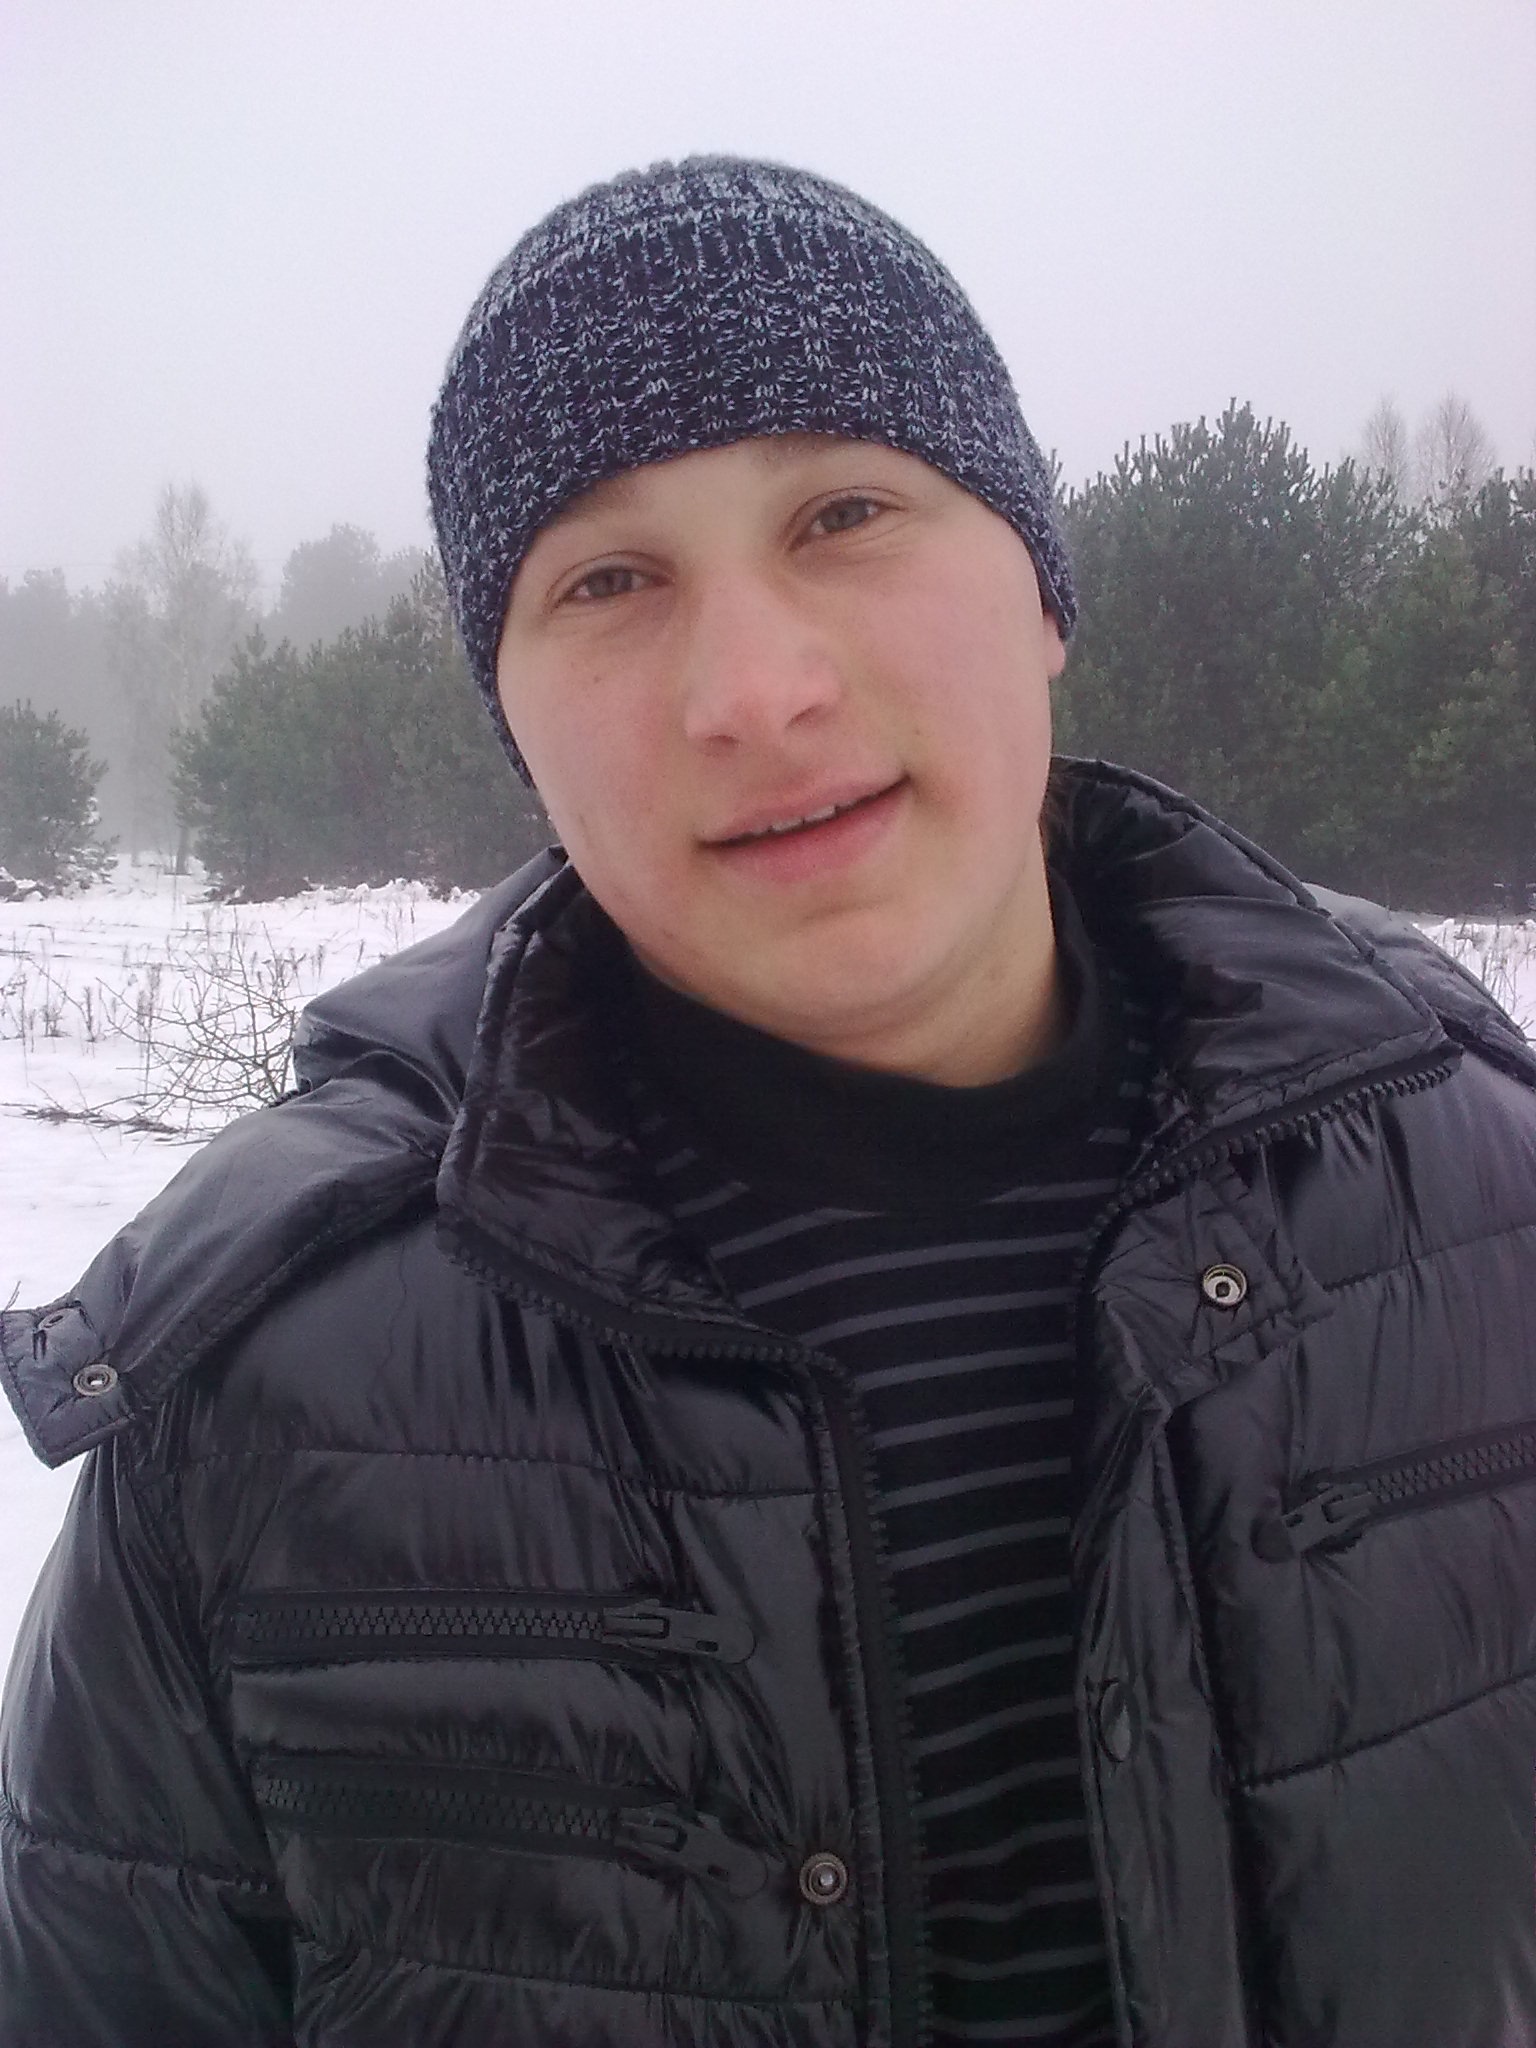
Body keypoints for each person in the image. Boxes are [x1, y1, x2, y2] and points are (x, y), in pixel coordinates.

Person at [2, 156, 1535, 2048]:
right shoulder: (252, 1393)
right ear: (514, 715)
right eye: (609, 579)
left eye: (846, 512)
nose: (753, 689)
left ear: (1043, 588)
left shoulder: (1482, 1199)